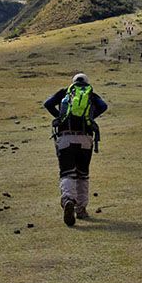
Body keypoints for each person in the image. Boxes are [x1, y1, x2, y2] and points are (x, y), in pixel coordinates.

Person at [43, 73, 107, 226]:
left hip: (65, 138)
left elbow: (47, 103)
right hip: (85, 139)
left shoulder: (65, 92)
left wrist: (60, 117)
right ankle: (81, 209)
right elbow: (104, 106)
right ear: (86, 82)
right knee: (83, 174)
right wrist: (90, 118)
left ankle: (68, 200)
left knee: (67, 172)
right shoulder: (91, 94)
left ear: (73, 82)